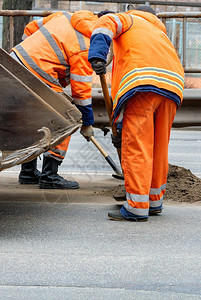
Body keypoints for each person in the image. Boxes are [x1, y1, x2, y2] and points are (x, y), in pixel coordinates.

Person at [88, 6, 184, 221]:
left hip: (143, 82)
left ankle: (137, 207)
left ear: (133, 10)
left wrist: (97, 55)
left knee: (138, 145)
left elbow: (104, 25)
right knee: (159, 147)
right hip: (173, 87)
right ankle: (154, 201)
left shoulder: (128, 19)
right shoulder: (158, 32)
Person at [10, 10, 98, 189]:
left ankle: (27, 171)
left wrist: (29, 52)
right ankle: (50, 175)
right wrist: (87, 123)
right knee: (65, 117)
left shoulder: (65, 16)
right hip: (38, 73)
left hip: (14, 63)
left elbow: (30, 27)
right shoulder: (86, 47)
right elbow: (81, 94)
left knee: (32, 119)